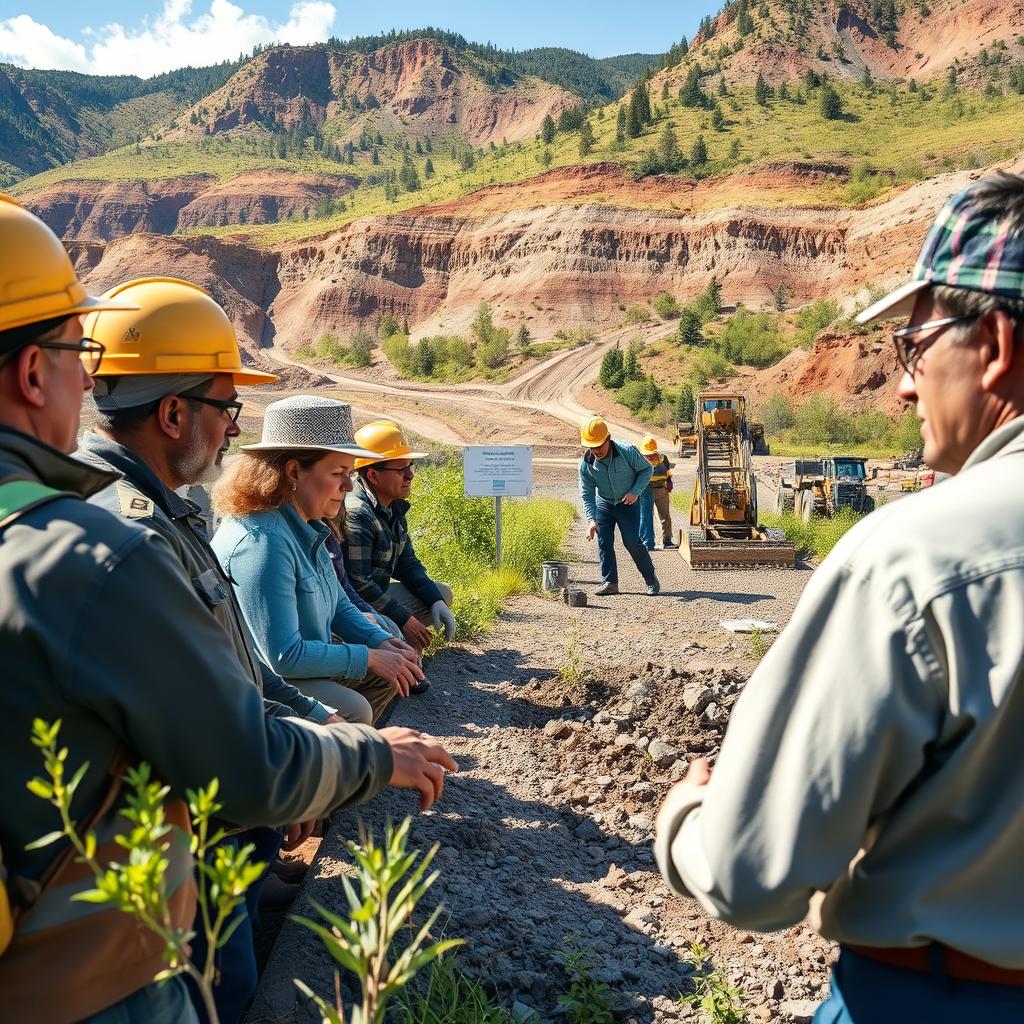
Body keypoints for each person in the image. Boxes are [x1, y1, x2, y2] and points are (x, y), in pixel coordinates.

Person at [0, 195, 457, 1024]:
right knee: (233, 981)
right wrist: (366, 753)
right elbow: (236, 758)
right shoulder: (100, 552)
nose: (86, 377)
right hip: (93, 969)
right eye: (76, 351)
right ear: (35, 373)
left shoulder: (101, 523)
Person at [655, 171, 1024, 1022]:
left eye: (915, 345)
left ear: (996, 343)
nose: (902, 385)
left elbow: (754, 878)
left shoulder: (916, 558)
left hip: (933, 998)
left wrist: (686, 818)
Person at [73, 276, 340, 1022]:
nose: (231, 428)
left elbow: (242, 667)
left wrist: (311, 728)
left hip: (225, 825)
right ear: (172, 411)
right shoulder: (129, 532)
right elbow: (200, 732)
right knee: (230, 989)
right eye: (227, 408)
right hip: (189, 843)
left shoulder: (168, 513)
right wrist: (328, 762)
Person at [212, 397, 425, 724]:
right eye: (339, 472)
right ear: (294, 471)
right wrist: (368, 656)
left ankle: (352, 755)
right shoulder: (263, 542)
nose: (349, 485)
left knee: (387, 673)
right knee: (355, 708)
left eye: (351, 473)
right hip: (259, 683)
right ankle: (336, 760)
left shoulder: (307, 525)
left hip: (297, 667)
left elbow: (339, 605)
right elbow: (284, 656)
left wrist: (382, 642)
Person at [344, 419, 456, 651]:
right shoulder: (357, 512)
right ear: (373, 476)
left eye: (410, 466)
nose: (410, 475)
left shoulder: (393, 505)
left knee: (440, 593)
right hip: (353, 608)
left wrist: (434, 600)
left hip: (376, 598)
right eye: (400, 469)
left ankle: (397, 643)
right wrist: (405, 620)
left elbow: (407, 564)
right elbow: (359, 585)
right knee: (391, 635)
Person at [578, 416, 660, 596]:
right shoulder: (586, 464)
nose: (596, 450)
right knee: (604, 542)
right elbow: (587, 493)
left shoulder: (627, 451)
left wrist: (635, 491)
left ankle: (651, 579)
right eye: (592, 447)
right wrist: (591, 520)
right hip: (604, 504)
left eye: (599, 445)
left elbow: (647, 469)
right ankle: (610, 583)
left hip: (627, 502)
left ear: (608, 439)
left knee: (632, 543)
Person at [637, 434, 675, 550]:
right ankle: (646, 541)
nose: (649, 456)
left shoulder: (663, 459)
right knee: (645, 516)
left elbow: (667, 472)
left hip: (661, 490)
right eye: (647, 454)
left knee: (665, 516)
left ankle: (667, 541)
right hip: (645, 490)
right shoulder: (639, 459)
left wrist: (669, 482)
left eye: (651, 454)